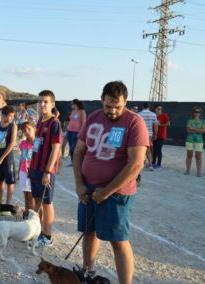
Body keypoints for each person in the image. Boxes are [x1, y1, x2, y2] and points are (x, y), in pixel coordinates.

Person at [73, 81, 148, 284]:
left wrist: (106, 191)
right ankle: (87, 273)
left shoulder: (134, 122)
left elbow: (136, 163)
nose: (113, 111)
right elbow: (79, 151)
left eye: (118, 107)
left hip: (117, 193)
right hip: (88, 188)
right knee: (89, 232)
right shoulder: (93, 118)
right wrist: (80, 183)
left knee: (118, 240)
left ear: (126, 102)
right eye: (108, 106)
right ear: (101, 100)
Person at [29, 90, 61, 247]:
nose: (42, 104)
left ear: (52, 104)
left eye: (46, 102)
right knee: (36, 201)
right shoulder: (40, 122)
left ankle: (47, 236)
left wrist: (48, 171)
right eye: (40, 101)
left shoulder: (54, 124)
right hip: (34, 168)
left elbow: (55, 149)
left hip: (45, 170)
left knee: (47, 203)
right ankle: (38, 231)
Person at [0, 105, 17, 205]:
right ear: (3, 115)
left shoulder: (13, 126)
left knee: (10, 182)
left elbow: (12, 143)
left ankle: (8, 204)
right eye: (9, 116)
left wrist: (1, 158)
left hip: (7, 158)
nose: (11, 118)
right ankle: (0, 203)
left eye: (13, 116)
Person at [18, 121, 35, 213]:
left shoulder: (37, 142)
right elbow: (22, 157)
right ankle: (26, 213)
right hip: (23, 171)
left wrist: (32, 169)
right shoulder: (23, 143)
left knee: (31, 196)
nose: (27, 132)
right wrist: (18, 171)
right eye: (25, 130)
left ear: (34, 128)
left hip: (32, 172)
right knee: (25, 195)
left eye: (29, 129)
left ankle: (31, 215)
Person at [184, 106, 205, 177]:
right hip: (189, 140)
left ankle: (198, 172)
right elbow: (188, 131)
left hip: (199, 141)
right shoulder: (189, 120)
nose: (197, 113)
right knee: (189, 156)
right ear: (193, 112)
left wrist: (193, 128)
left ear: (200, 113)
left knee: (198, 157)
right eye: (196, 112)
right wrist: (198, 129)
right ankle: (187, 170)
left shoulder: (202, 120)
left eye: (199, 112)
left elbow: (203, 130)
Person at [138, 102, 158, 171]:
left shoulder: (139, 114)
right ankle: (150, 165)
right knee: (148, 149)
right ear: (149, 107)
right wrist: (155, 134)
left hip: (140, 133)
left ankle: (141, 164)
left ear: (142, 106)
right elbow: (155, 126)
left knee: (140, 149)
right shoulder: (153, 114)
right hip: (149, 134)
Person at [66, 99, 86, 166]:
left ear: (75, 104)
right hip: (70, 131)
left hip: (77, 132)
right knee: (70, 147)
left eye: (72, 104)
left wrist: (81, 133)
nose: (71, 105)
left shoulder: (82, 111)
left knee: (74, 147)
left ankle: (78, 162)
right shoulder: (73, 111)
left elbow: (83, 123)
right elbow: (70, 120)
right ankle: (73, 162)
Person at [152, 104, 170, 169]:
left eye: (160, 109)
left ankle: (159, 164)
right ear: (155, 109)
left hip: (161, 135)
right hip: (154, 135)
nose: (160, 110)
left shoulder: (164, 115)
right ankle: (153, 162)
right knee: (154, 149)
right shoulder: (153, 116)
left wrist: (159, 125)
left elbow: (168, 124)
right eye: (158, 109)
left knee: (158, 150)